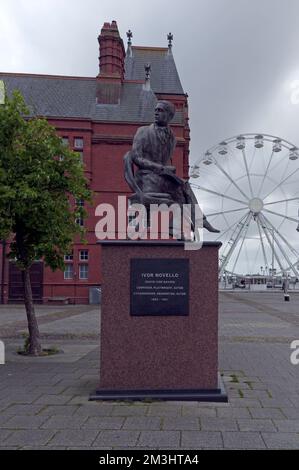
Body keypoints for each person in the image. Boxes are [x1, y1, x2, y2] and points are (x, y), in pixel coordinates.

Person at [124, 100, 219, 238]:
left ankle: (188, 223)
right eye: (156, 110)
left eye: (160, 110)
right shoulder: (143, 131)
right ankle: (197, 221)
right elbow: (136, 157)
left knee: (184, 188)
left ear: (169, 116)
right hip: (146, 178)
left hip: (163, 178)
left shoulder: (172, 138)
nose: (156, 112)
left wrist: (167, 170)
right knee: (178, 197)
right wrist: (158, 167)